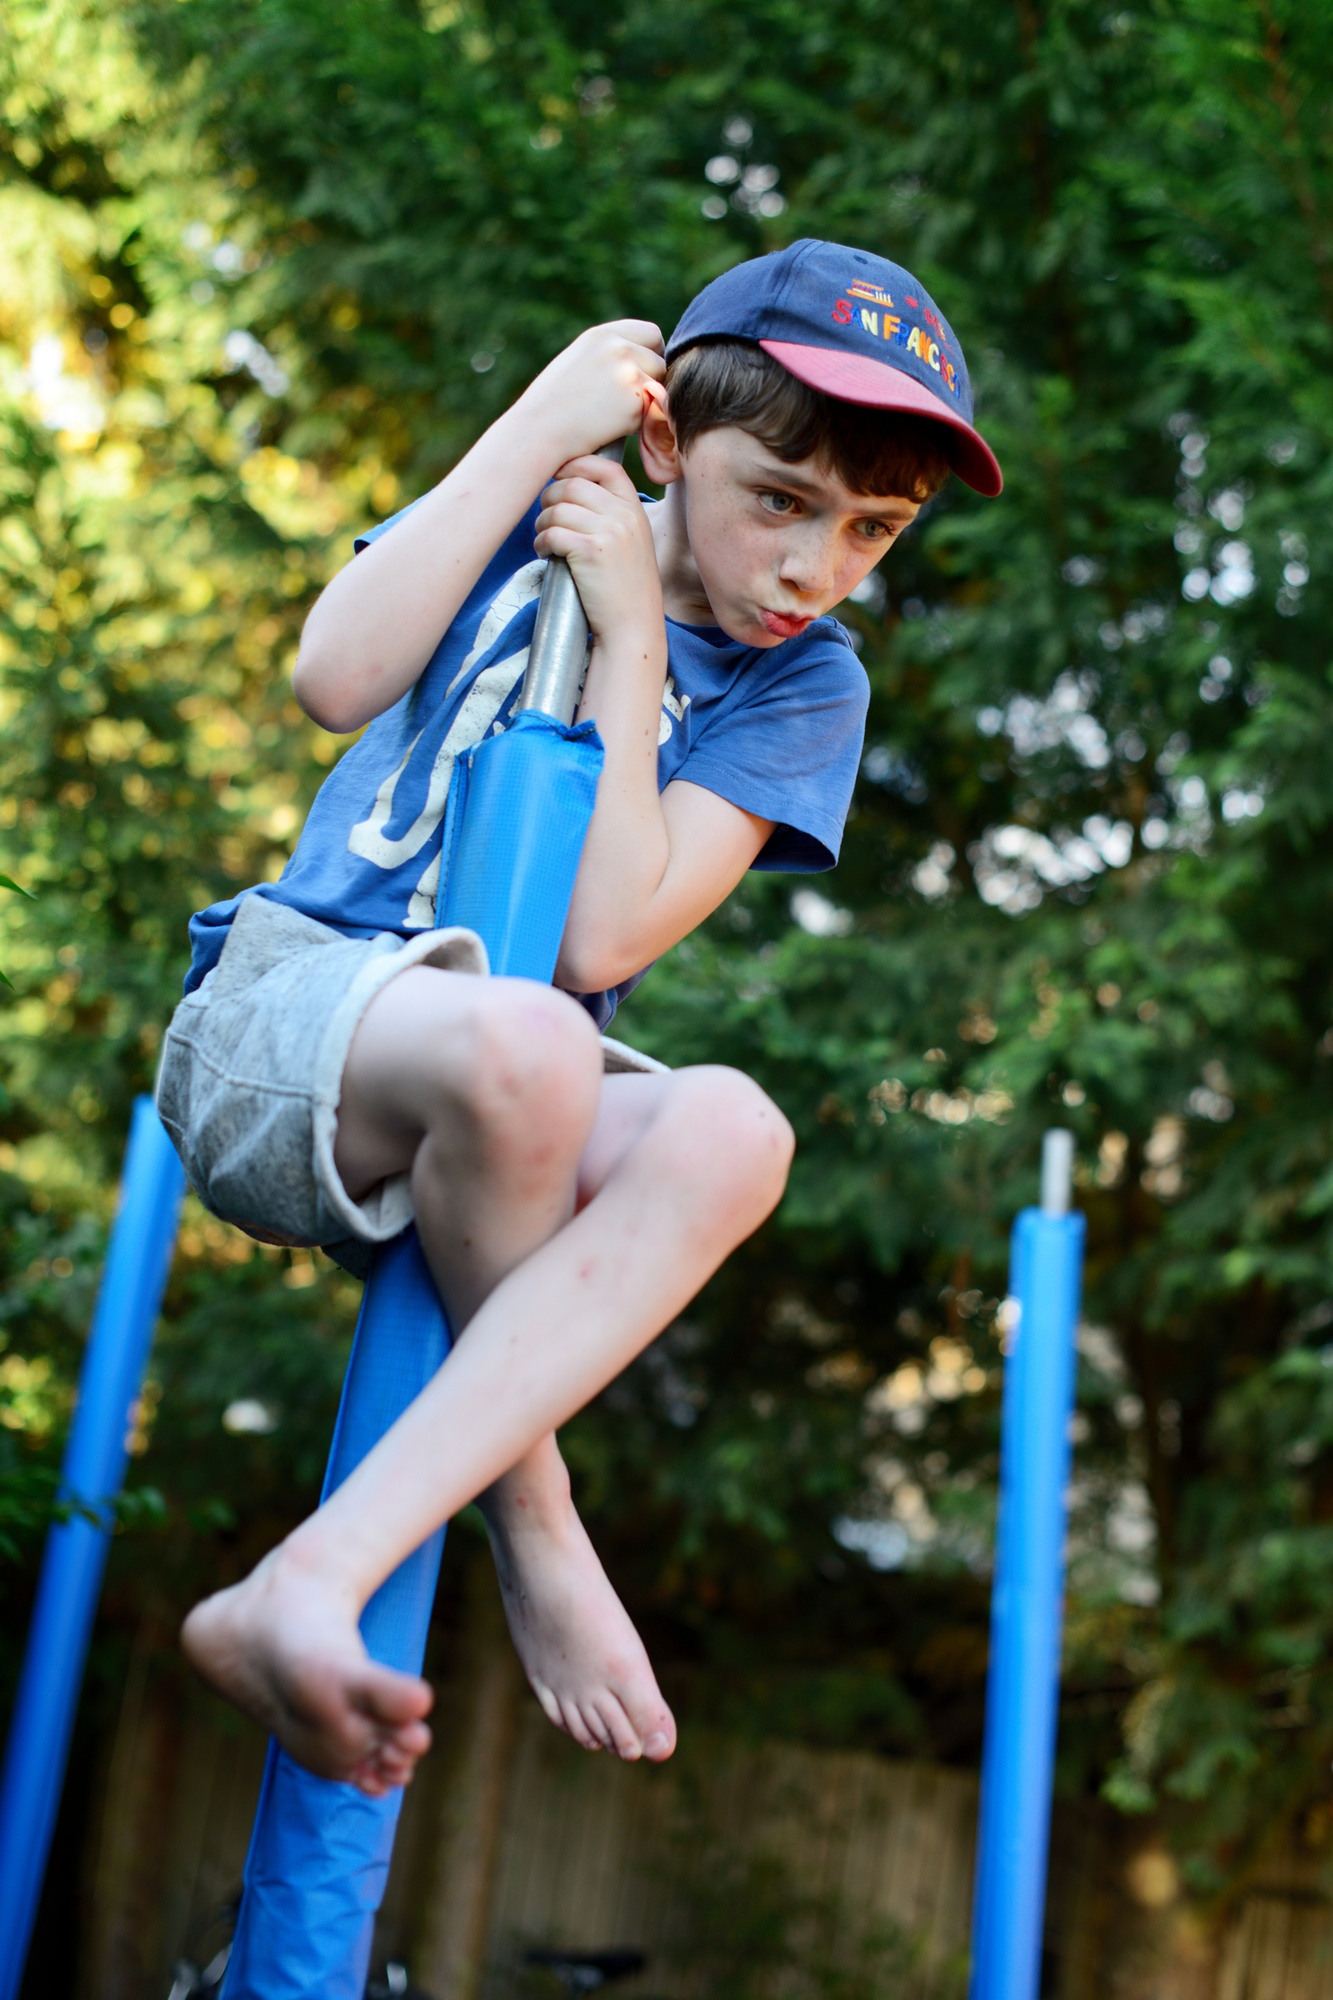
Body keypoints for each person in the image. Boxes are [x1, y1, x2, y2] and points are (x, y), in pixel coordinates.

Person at [157, 239, 1002, 1798]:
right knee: (530, 1040)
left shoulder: (805, 687)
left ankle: (310, 1579)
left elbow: (606, 930)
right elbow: (333, 675)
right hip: (290, 1020)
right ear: (667, 438)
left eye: (869, 530)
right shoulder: (535, 514)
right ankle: (537, 1520)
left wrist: (631, 643)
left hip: (508, 1103)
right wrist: (540, 425)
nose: (814, 568)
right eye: (779, 501)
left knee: (733, 1129)